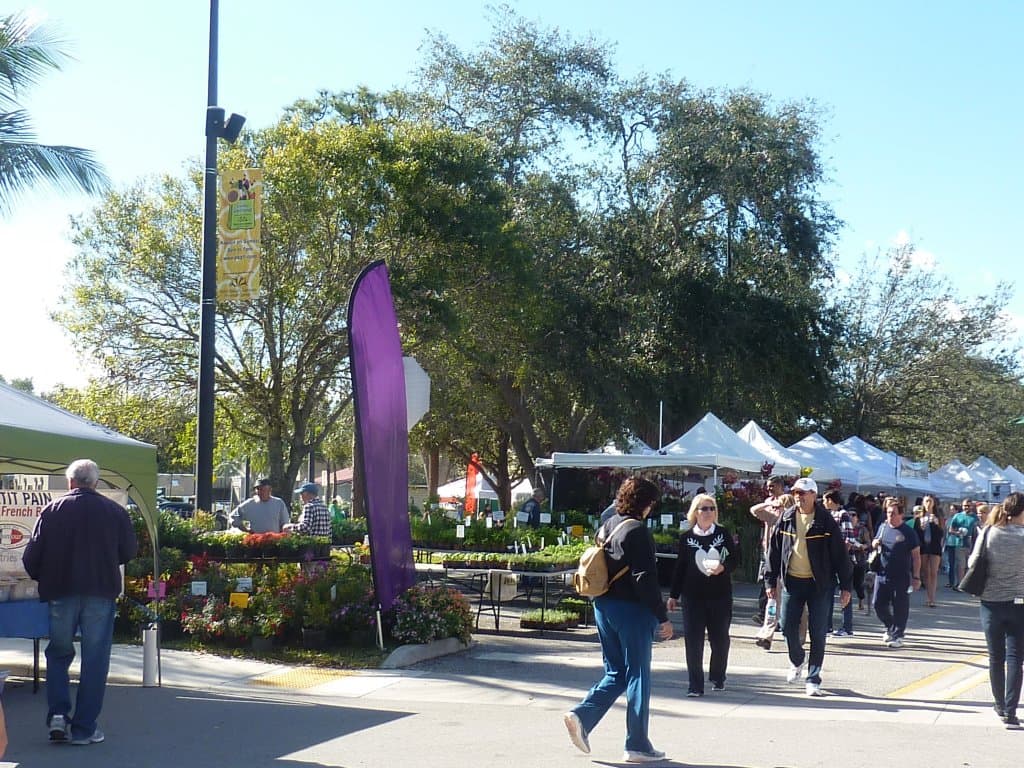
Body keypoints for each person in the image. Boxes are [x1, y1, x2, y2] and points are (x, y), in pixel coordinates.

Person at [21, 459, 138, 746]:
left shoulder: (52, 510)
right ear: (95, 482)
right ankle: (85, 729)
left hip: (61, 591)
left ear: (70, 482)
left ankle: (58, 715)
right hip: (100, 591)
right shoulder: (115, 511)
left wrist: (45, 579)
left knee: (59, 654)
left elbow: (30, 557)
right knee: (95, 660)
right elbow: (129, 552)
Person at [563, 477, 673, 763]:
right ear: (645, 503)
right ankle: (636, 743)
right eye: (651, 503)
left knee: (616, 673)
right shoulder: (638, 531)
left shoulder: (608, 525)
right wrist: (661, 616)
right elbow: (644, 578)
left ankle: (583, 715)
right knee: (638, 675)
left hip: (603, 605)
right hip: (632, 610)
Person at [764, 477, 852, 697]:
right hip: (792, 581)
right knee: (786, 626)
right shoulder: (786, 517)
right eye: (795, 493)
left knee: (818, 631)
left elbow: (840, 556)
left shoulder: (825, 521)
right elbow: (774, 552)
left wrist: (846, 587)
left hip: (819, 584)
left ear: (814, 495)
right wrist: (769, 580)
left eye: (803, 493)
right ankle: (797, 659)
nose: (799, 497)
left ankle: (813, 678)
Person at [667, 493, 738, 696]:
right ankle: (695, 685)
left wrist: (723, 567)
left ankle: (717, 676)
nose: (708, 513)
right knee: (693, 641)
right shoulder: (686, 538)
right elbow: (680, 568)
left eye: (711, 509)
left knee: (720, 639)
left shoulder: (723, 534)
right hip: (693, 597)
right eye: (704, 509)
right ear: (695, 512)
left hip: (720, 596)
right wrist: (673, 595)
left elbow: (734, 559)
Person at [970, 491, 1024, 728]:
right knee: (1015, 658)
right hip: (1019, 602)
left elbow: (973, 562)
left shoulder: (989, 532)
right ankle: (1010, 711)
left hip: (991, 602)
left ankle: (999, 703)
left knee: (995, 656)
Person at [871, 497, 921, 648]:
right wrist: (874, 543)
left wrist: (917, 576)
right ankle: (891, 626)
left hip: (901, 575)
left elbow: (916, 556)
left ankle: (898, 635)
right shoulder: (883, 527)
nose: (890, 516)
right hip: (882, 573)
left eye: (893, 513)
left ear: (901, 515)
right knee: (877, 604)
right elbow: (875, 541)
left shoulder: (908, 532)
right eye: (888, 513)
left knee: (900, 606)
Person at [749, 474, 786, 624]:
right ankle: (764, 613)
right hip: (768, 548)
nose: (769, 488)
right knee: (766, 580)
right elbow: (754, 510)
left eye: (772, 486)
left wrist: (780, 504)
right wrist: (769, 504)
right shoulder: (769, 503)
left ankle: (777, 617)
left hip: (782, 549)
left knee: (778, 584)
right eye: (768, 486)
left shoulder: (787, 502)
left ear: (780, 486)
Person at [823, 490, 860, 636]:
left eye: (826, 500)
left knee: (845, 592)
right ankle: (827, 625)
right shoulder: (829, 515)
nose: (824, 503)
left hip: (843, 561)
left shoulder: (843, 514)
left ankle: (847, 626)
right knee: (828, 592)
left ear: (831, 500)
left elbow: (848, 540)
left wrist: (840, 557)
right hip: (830, 561)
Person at [911, 496, 945, 608]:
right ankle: (928, 596)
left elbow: (942, 533)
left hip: (935, 547)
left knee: (933, 572)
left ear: (934, 503)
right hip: (924, 547)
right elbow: (915, 533)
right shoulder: (919, 517)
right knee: (925, 572)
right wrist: (921, 526)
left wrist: (936, 524)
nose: (928, 503)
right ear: (923, 503)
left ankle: (932, 598)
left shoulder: (938, 517)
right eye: (926, 501)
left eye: (930, 501)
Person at [947, 500, 979, 589]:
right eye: (965, 505)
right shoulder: (958, 516)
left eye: (968, 506)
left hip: (972, 545)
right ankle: (960, 584)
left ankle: (968, 584)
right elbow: (951, 530)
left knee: (970, 565)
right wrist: (958, 533)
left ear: (972, 506)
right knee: (961, 565)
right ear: (962, 506)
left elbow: (978, 530)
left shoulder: (975, 517)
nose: (966, 507)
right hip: (960, 543)